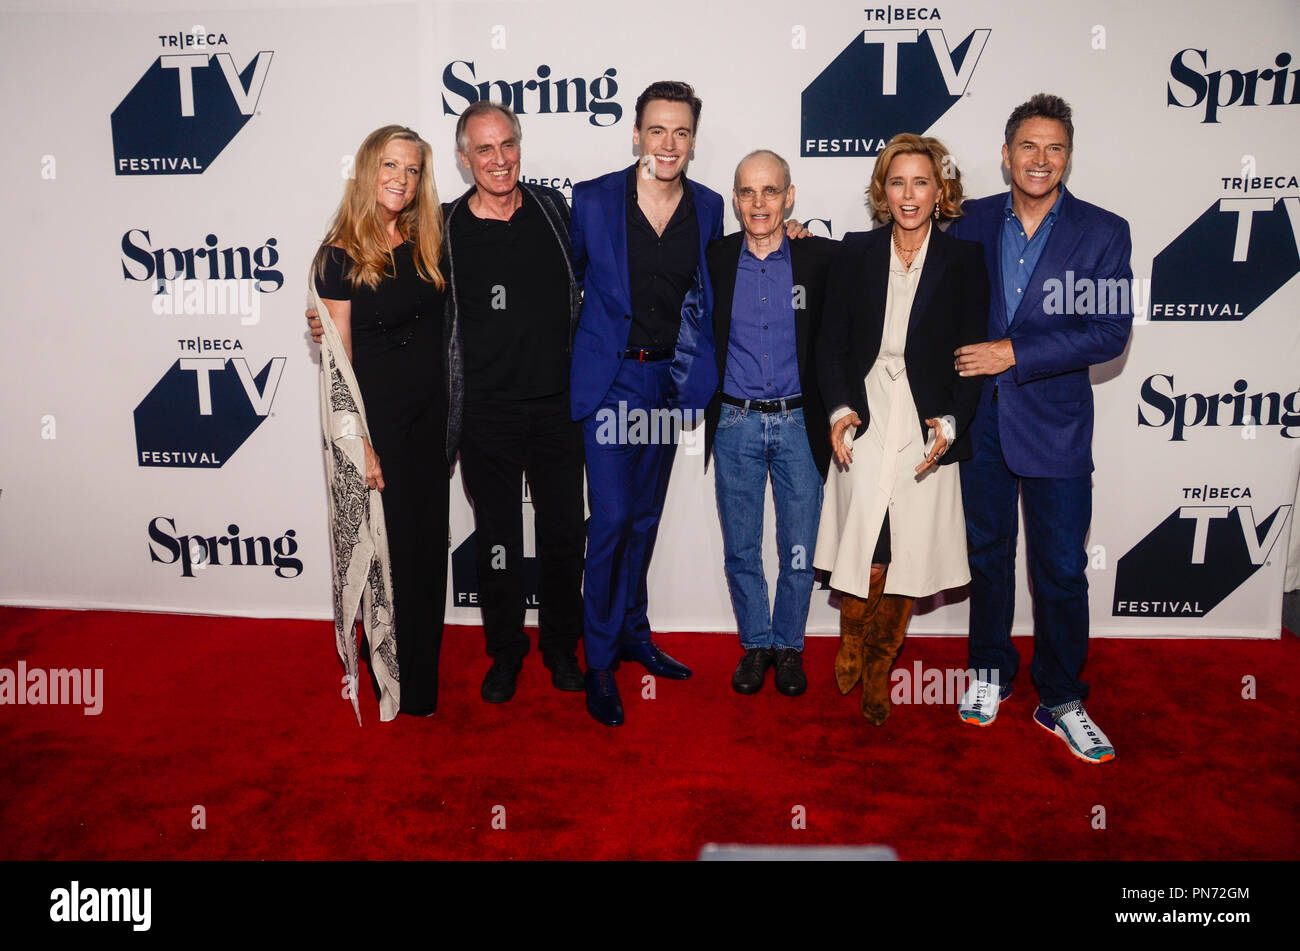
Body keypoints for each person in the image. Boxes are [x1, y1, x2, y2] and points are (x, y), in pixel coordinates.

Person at [948, 93, 1132, 763]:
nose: (1040, 158)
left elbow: (1110, 332)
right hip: (982, 425)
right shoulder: (965, 221)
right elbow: (901, 255)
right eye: (1029, 145)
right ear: (1005, 154)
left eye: (1054, 147)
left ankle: (1061, 698)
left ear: (1068, 157)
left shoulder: (1103, 231)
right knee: (987, 559)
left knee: (1059, 570)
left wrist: (1014, 352)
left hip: (1055, 427)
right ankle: (989, 673)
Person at [814, 133, 989, 726]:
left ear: (940, 191)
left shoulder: (964, 261)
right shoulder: (856, 252)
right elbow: (830, 343)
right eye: (897, 182)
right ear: (881, 191)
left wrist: (951, 418)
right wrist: (839, 411)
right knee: (868, 542)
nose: (909, 194)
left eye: (921, 182)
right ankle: (852, 641)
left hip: (925, 420)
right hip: (866, 413)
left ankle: (881, 666)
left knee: (907, 547)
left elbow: (970, 354)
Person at [568, 81, 724, 726]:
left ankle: (634, 631)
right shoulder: (594, 200)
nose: (668, 143)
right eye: (656, 130)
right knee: (609, 522)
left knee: (644, 520)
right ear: (636, 134)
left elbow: (723, 281)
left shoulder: (711, 208)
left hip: (670, 383)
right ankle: (599, 660)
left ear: (692, 140)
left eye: (680, 132)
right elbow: (566, 282)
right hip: (612, 385)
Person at [442, 101, 586, 702]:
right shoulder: (444, 227)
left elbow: (611, 265)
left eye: (507, 146)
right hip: (486, 416)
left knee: (562, 537)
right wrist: (331, 320)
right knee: (496, 541)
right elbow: (390, 288)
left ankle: (559, 647)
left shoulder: (554, 211)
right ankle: (505, 652)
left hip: (557, 408)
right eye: (484, 149)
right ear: (463, 157)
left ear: (519, 148)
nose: (499, 160)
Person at [312, 125, 449, 719]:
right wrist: (360, 445)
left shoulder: (428, 240)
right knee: (387, 553)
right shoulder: (338, 256)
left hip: (432, 423)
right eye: (390, 166)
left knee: (425, 552)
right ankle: (388, 666)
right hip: (382, 429)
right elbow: (338, 367)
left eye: (412, 170)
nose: (401, 179)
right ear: (367, 171)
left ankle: (423, 676)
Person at [694, 150, 837, 696]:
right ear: (734, 199)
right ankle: (755, 644)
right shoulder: (713, 259)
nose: (759, 203)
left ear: (790, 196)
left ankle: (789, 647)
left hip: (801, 423)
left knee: (800, 548)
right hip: (735, 423)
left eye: (770, 192)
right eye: (748, 192)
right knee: (742, 547)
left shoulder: (818, 259)